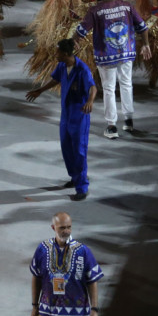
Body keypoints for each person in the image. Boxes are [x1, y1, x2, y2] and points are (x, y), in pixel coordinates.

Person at [73, 0, 150, 139]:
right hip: (126, 52)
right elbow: (143, 27)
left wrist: (74, 41)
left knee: (109, 88)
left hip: (106, 55)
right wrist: (146, 44)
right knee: (126, 84)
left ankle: (111, 126)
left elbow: (81, 31)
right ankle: (129, 121)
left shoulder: (95, 10)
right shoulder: (127, 6)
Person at [27, 39, 98, 200]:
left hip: (79, 115)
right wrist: (40, 90)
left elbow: (92, 86)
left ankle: (82, 187)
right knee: (66, 147)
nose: (55, 54)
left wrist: (90, 101)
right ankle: (74, 177)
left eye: (58, 52)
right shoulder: (61, 66)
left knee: (79, 151)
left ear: (65, 54)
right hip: (66, 113)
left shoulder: (82, 69)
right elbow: (56, 79)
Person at [30, 212, 102, 316]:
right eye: (62, 228)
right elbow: (36, 277)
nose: (67, 231)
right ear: (53, 227)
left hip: (75, 314)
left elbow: (92, 280)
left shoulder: (83, 251)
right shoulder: (42, 249)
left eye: (69, 227)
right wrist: (34, 305)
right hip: (48, 313)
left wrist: (94, 309)